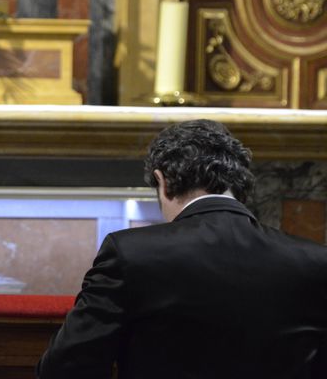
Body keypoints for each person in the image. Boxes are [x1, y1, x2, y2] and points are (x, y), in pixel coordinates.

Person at [37, 119, 327, 379]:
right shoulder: (315, 261)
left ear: (162, 182)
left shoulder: (131, 253)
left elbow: (67, 367)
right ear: (239, 183)